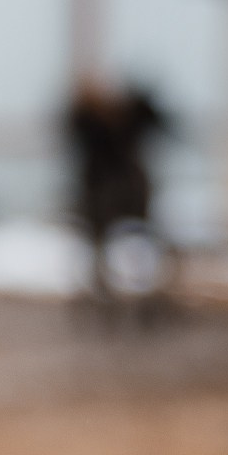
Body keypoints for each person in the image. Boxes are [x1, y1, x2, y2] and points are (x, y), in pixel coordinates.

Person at [64, 78, 173, 305]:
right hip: (108, 189)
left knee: (110, 241)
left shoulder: (114, 123)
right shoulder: (92, 124)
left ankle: (131, 286)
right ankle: (114, 287)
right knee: (106, 242)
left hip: (114, 188)